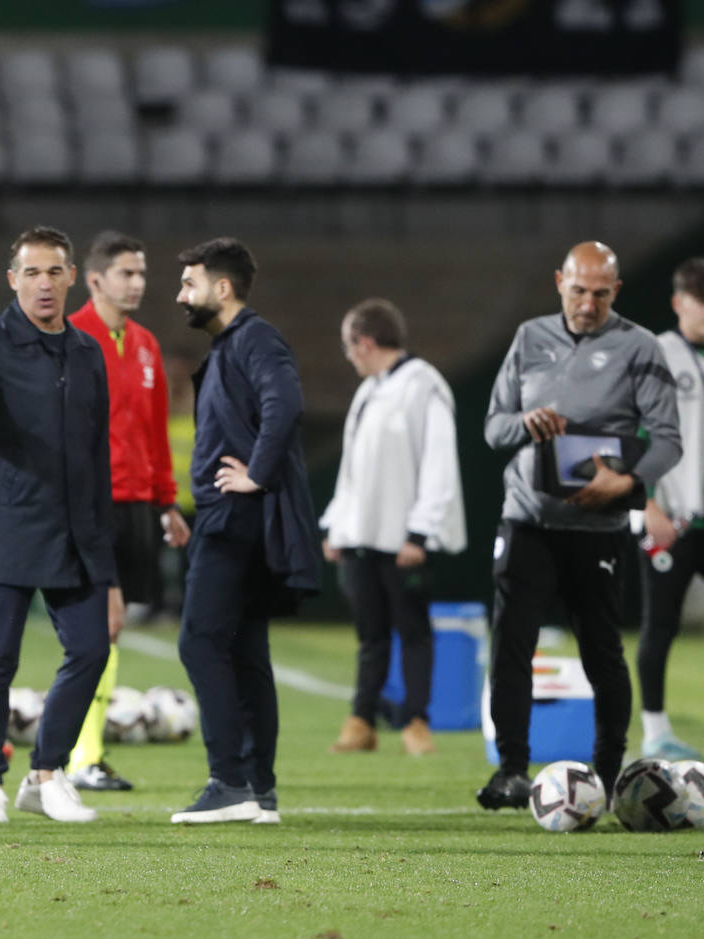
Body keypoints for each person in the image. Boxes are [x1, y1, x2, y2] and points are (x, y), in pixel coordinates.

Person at [480, 241, 681, 809]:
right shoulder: (528, 338)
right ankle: (511, 772)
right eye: (578, 290)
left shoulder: (640, 347)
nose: (587, 303)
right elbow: (493, 429)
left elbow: (667, 438)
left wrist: (629, 485)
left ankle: (610, 773)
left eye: (599, 292)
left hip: (599, 526)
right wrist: (525, 422)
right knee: (510, 646)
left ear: (615, 291)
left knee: (602, 651)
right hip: (527, 519)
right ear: (558, 283)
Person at [0, 226, 117, 824]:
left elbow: (95, 455)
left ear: (70, 278)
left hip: (77, 531)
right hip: (9, 525)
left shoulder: (89, 353)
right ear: (13, 280)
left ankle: (46, 774)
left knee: (90, 649)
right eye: (31, 273)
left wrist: (106, 557)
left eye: (53, 272)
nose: (43, 283)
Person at [170, 237, 320, 826]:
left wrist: (255, 473)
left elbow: (285, 400)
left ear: (222, 288)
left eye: (190, 284)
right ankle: (259, 787)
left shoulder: (254, 337)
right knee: (245, 649)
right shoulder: (236, 343)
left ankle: (229, 781)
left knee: (199, 642)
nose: (182, 294)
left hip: (234, 518)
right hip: (237, 517)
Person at [66, 231, 190, 792]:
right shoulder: (71, 338)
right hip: (91, 503)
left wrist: (167, 501)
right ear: (95, 280)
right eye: (126, 273)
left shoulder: (145, 345)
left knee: (108, 630)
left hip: (138, 503)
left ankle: (81, 751)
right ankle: (80, 754)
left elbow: (154, 432)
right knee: (101, 624)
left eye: (141, 274)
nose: (137, 283)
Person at [320, 298, 466, 757]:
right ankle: (362, 719)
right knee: (371, 634)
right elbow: (354, 467)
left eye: (349, 346)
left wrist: (419, 532)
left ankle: (417, 721)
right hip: (361, 536)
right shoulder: (370, 390)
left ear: (365, 342)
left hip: (404, 540)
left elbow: (439, 464)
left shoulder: (425, 386)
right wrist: (337, 526)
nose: (348, 357)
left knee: (413, 631)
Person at [634, 258, 704, 761]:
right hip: (671, 518)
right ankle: (655, 732)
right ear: (680, 302)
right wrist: (648, 502)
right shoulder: (660, 353)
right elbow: (638, 433)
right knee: (660, 623)